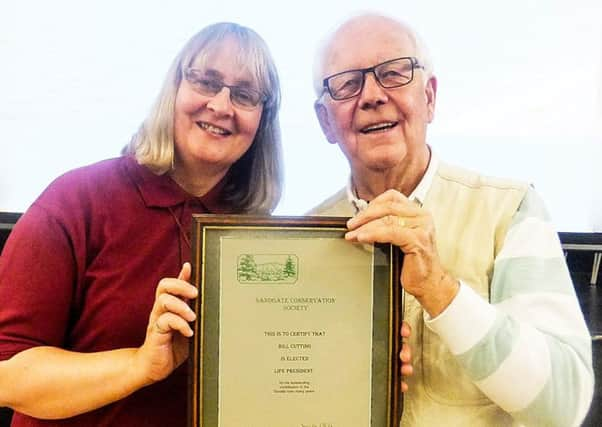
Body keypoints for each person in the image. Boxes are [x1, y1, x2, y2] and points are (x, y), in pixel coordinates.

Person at [309, 13, 594, 426]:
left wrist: (441, 292)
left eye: (393, 73)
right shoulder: (305, 236)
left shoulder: (510, 209)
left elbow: (562, 406)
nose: (371, 95)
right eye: (347, 84)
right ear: (324, 121)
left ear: (430, 98)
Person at [0, 22, 282, 426]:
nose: (222, 106)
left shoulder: (259, 235)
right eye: (205, 81)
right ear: (174, 89)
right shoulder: (77, 199)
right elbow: (8, 376)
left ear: (262, 120)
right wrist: (138, 365)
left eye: (245, 94)